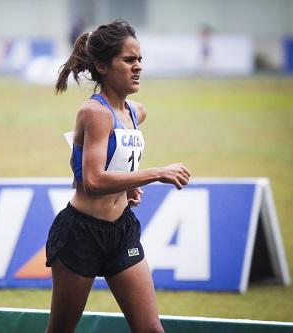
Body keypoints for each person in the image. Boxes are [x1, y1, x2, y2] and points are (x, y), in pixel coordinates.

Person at [45, 20, 191, 333]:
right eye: (128, 60)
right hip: (81, 234)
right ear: (102, 65)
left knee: (151, 329)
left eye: (139, 60)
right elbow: (93, 181)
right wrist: (154, 174)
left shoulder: (137, 111)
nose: (137, 67)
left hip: (121, 230)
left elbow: (108, 162)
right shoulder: (94, 112)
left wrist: (127, 190)